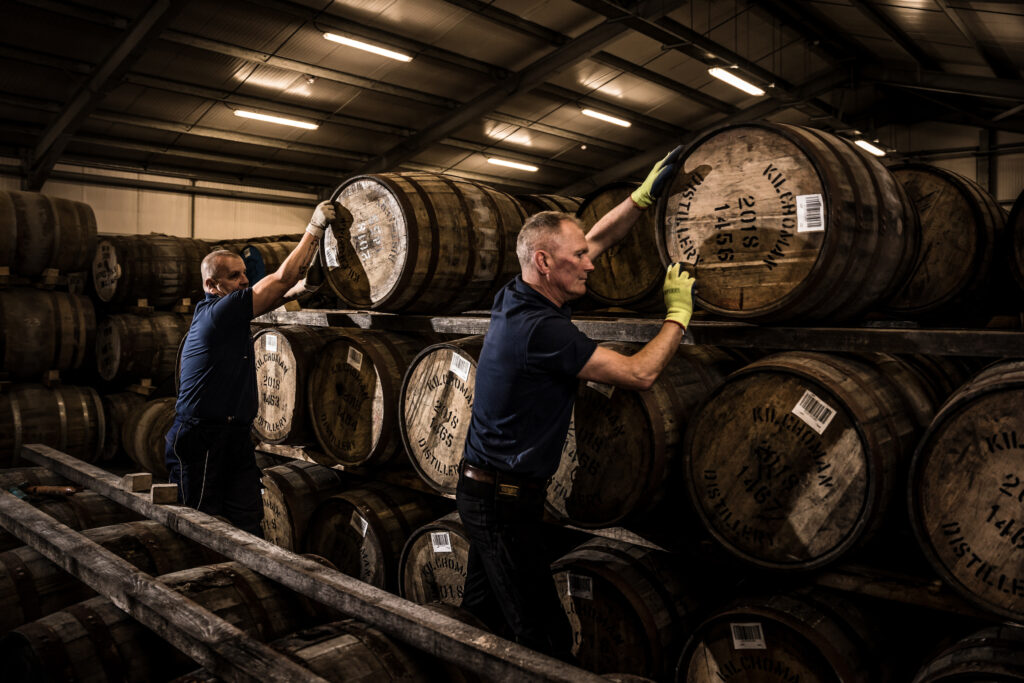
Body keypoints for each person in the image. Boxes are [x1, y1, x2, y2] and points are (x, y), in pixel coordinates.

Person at [455, 146, 696, 660]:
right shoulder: (541, 331)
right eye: (578, 258)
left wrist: (640, 198)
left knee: (482, 614)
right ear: (544, 262)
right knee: (544, 639)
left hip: (487, 491)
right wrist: (676, 316)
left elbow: (599, 237)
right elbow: (640, 373)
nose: (591, 263)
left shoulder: (516, 295)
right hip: (502, 503)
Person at [165, 200, 347, 536]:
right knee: (201, 526)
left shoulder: (231, 314)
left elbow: (277, 294)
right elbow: (278, 281)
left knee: (248, 521)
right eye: (234, 277)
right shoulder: (218, 314)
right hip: (202, 437)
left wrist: (305, 287)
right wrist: (315, 228)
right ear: (211, 285)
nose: (244, 281)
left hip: (233, 435)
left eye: (244, 274)